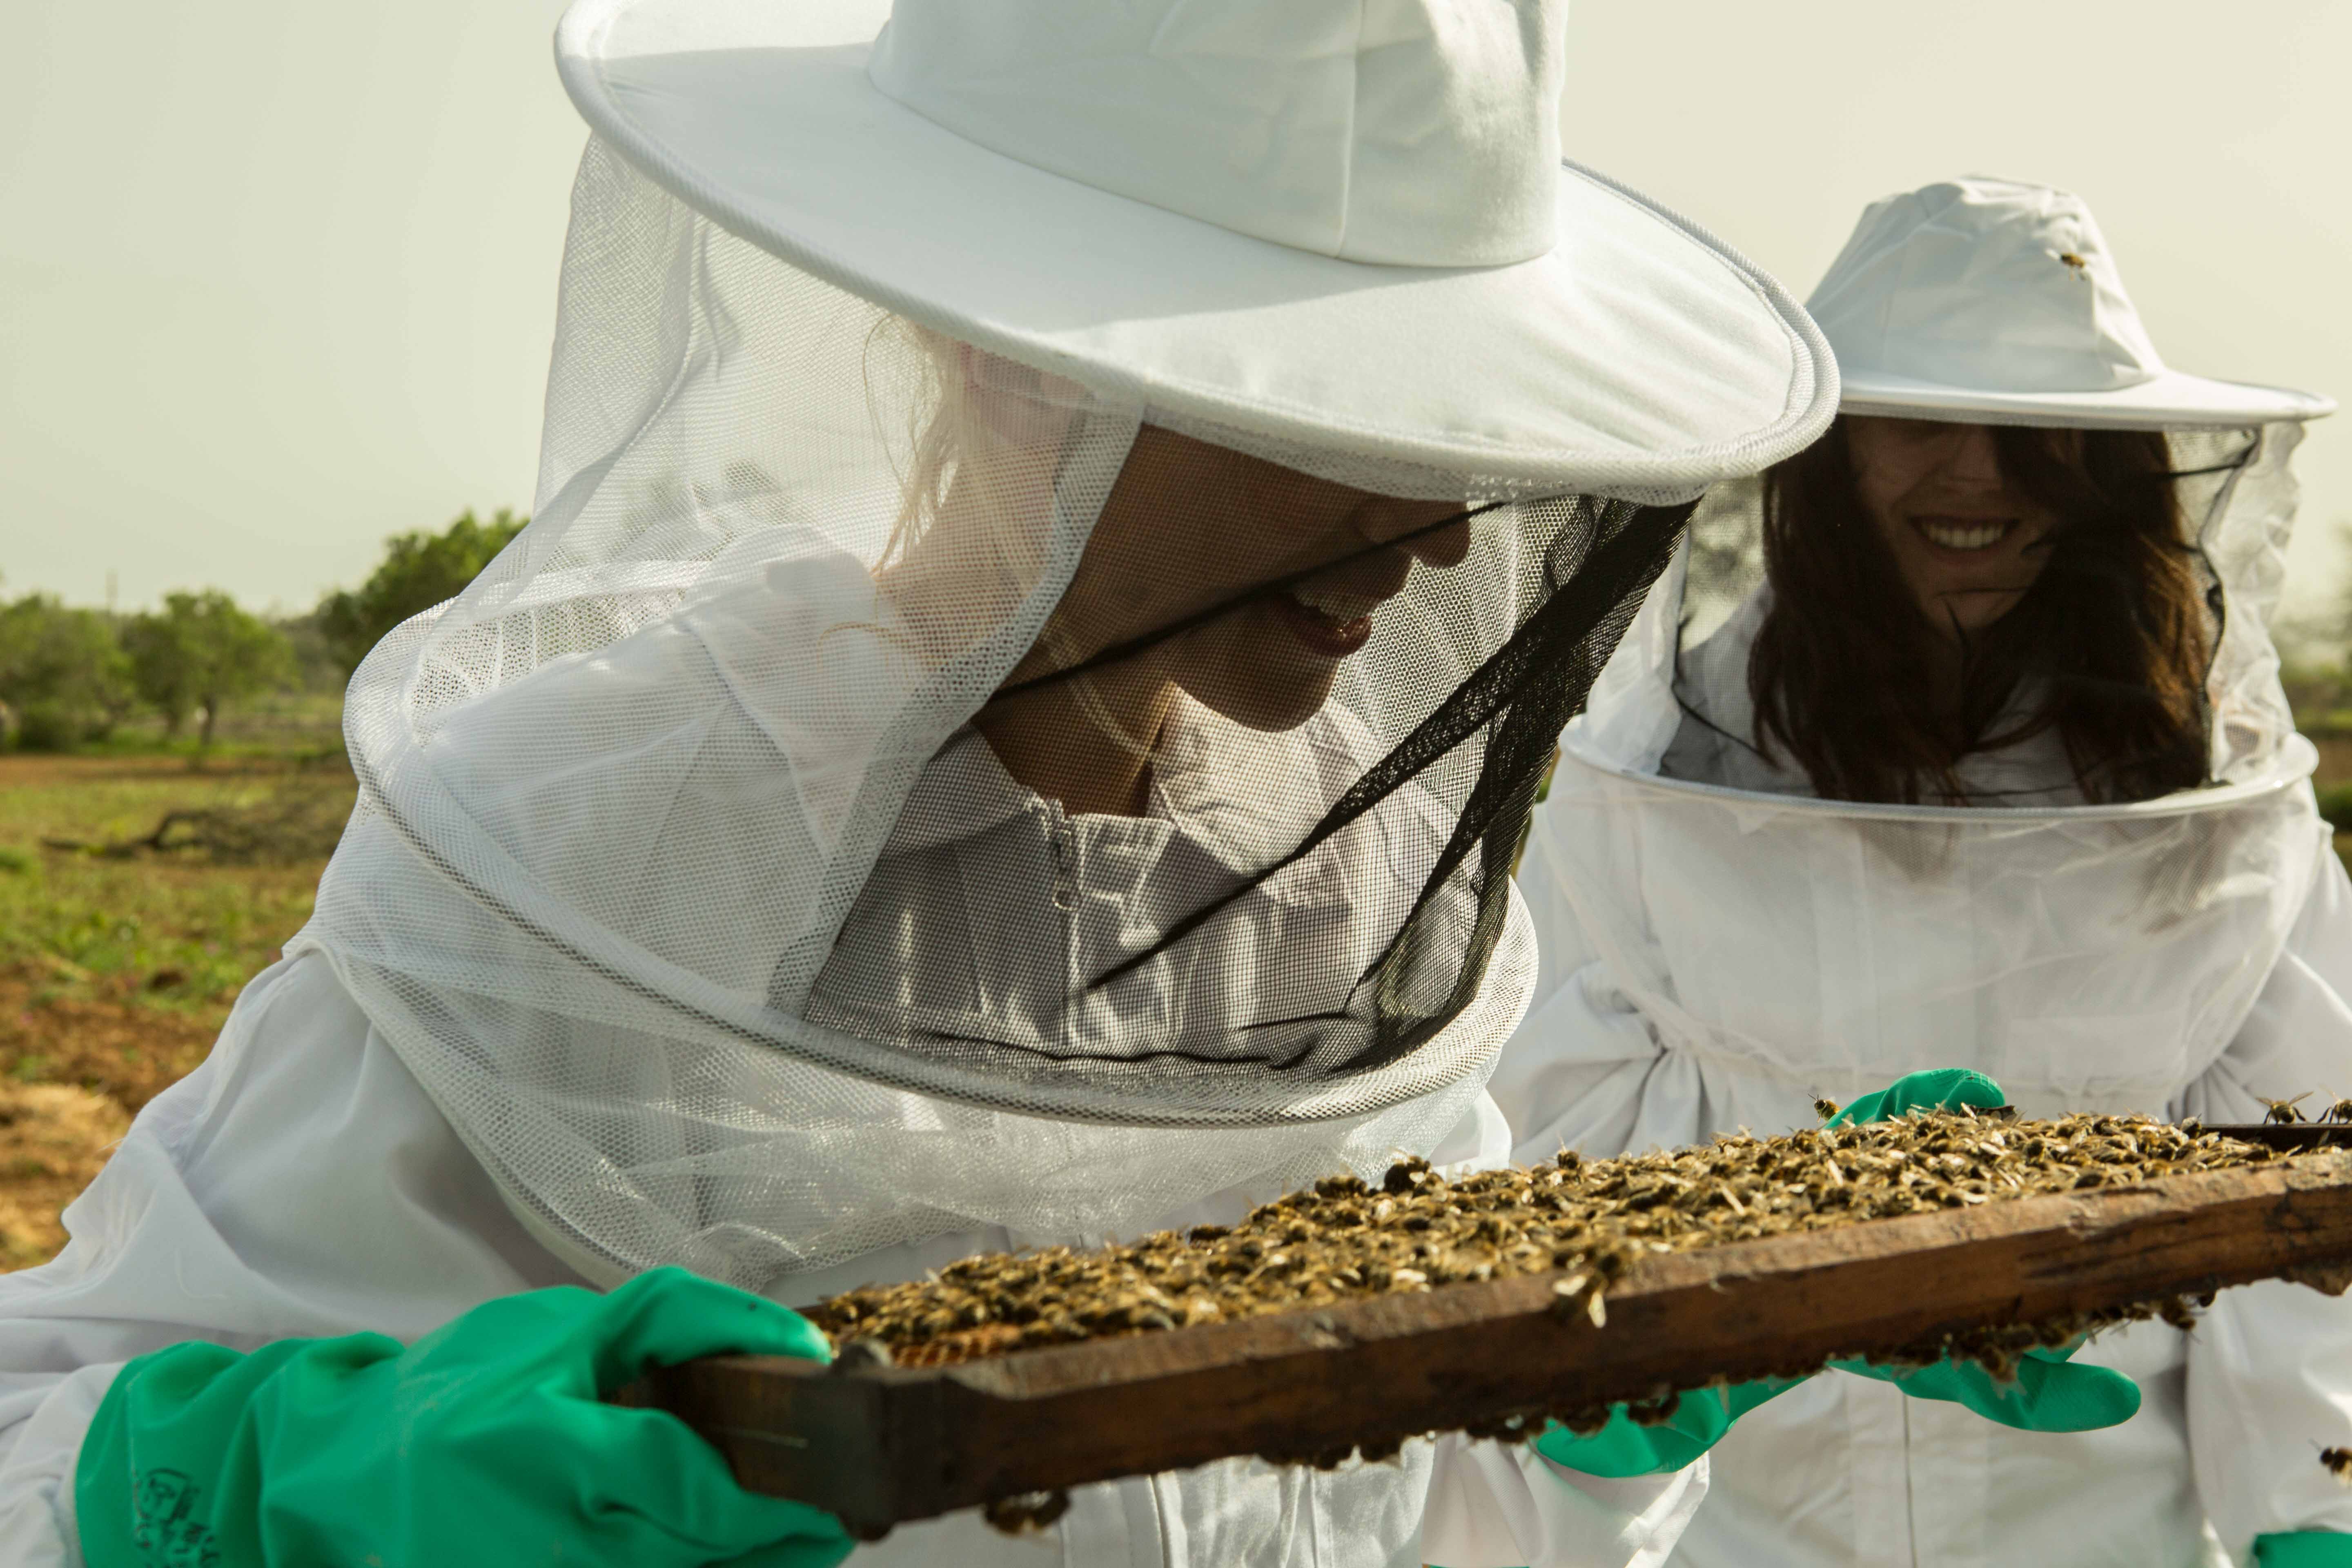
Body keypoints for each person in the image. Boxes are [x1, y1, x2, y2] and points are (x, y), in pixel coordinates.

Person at [0, 2, 1863, 1565]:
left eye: (1450, 424)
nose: (1433, 534)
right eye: (1326, 414)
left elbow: (1410, 1510)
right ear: (1014, 364)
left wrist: (1589, 1415)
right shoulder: (608, 825)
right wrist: (255, 1475)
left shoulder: (1349, 895)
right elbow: (42, 1443)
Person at [1504, 176, 2352, 1565]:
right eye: (1920, 422)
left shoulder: (2213, 811)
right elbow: (1541, 1158)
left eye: (2037, 436)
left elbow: (2300, 1223)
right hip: (1734, 1537)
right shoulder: (1659, 793)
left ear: (2115, 473)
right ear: (1828, 451)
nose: (1980, 475)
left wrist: (2315, 1520)